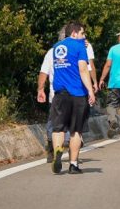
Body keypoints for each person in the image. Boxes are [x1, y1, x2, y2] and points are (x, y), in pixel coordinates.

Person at [37, 22, 96, 174]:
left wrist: (40, 89)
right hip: (78, 94)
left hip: (59, 94)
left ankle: (58, 149)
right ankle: (73, 165)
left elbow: (48, 71)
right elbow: (83, 69)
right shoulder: (80, 46)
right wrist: (90, 90)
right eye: (82, 33)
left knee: (58, 128)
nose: (84, 37)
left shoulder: (56, 47)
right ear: (74, 33)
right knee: (76, 130)